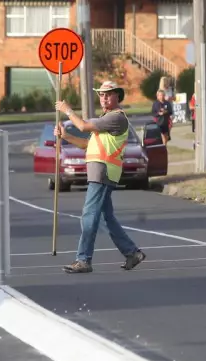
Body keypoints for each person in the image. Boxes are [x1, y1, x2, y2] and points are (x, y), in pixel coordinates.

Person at [54, 80, 147, 274]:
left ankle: (83, 259)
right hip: (101, 172)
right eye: (101, 95)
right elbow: (85, 144)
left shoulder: (116, 118)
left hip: (104, 171)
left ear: (117, 97)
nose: (104, 98)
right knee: (106, 218)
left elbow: (83, 126)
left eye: (108, 94)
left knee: (89, 216)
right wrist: (65, 137)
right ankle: (132, 253)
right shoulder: (106, 120)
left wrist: (67, 110)